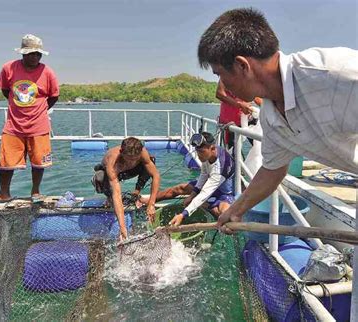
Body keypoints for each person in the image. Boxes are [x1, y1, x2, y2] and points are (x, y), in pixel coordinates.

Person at [197, 8, 358, 234]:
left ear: (242, 65)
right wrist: (236, 209)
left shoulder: (336, 75)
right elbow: (272, 170)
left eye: (220, 74)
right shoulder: (271, 117)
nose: (222, 84)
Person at [0, 34, 59, 203]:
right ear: (23, 53)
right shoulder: (8, 68)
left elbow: (54, 96)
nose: (35, 57)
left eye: (38, 54)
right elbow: (6, 90)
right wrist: (19, 106)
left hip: (38, 125)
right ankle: (4, 193)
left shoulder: (47, 72)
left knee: (38, 162)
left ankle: (35, 192)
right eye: (31, 53)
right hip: (13, 125)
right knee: (5, 161)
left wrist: (40, 110)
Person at [139, 132, 235, 226]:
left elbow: (205, 193)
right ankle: (149, 201)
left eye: (201, 152)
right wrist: (191, 196)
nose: (199, 155)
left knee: (223, 215)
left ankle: (205, 205)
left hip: (224, 194)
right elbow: (204, 175)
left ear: (213, 148)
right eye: (197, 151)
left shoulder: (221, 167)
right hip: (209, 184)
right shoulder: (208, 155)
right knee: (179, 188)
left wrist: (183, 214)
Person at [91, 137, 160, 240]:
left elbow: (156, 176)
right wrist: (122, 228)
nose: (132, 162)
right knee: (100, 177)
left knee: (151, 161)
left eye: (135, 159)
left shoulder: (143, 153)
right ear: (121, 152)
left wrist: (151, 204)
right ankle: (108, 198)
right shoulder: (113, 161)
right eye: (129, 159)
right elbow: (117, 195)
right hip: (108, 173)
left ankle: (136, 193)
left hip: (130, 172)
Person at [216, 80, 262, 148]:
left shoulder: (248, 76)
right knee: (233, 153)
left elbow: (256, 98)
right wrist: (240, 105)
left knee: (261, 145)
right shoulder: (226, 73)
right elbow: (219, 93)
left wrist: (272, 109)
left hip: (247, 119)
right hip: (230, 123)